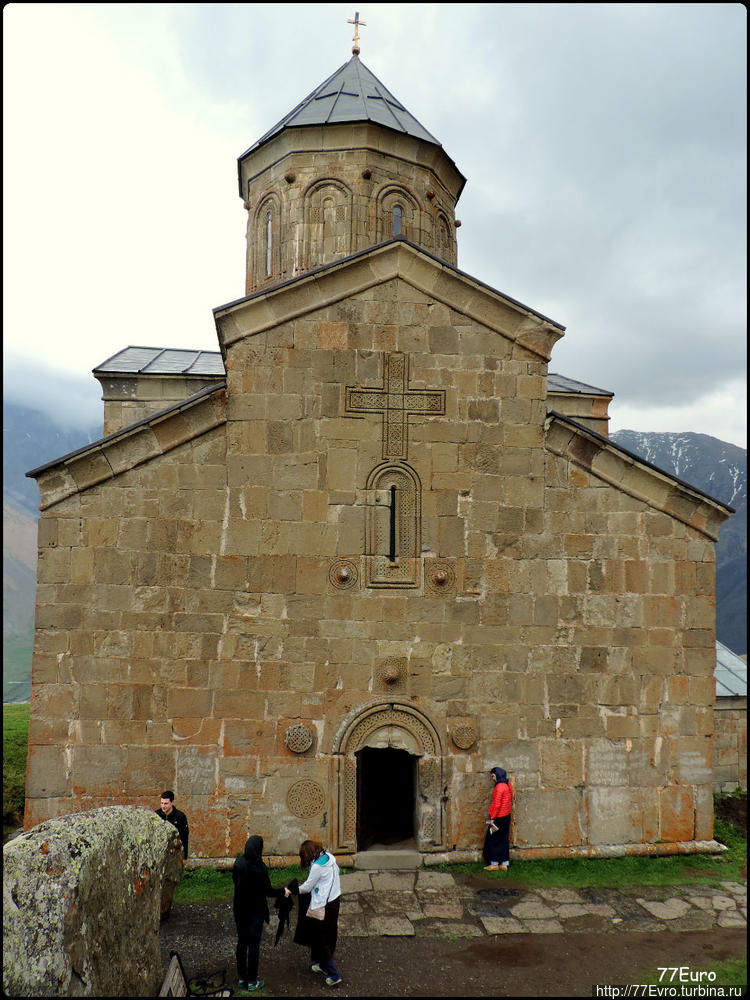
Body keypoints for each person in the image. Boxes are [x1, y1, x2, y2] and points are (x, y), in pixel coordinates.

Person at [285, 840, 343, 987]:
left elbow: (307, 887)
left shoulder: (317, 866)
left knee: (320, 938)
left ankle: (334, 974)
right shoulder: (329, 857)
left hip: (323, 905)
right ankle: (322, 964)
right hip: (334, 900)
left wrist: (292, 890)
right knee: (329, 934)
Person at [232, 835, 282, 993]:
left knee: (242, 943)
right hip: (255, 911)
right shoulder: (260, 868)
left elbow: (235, 880)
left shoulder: (239, 863)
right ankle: (252, 980)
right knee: (253, 945)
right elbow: (268, 891)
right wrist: (283, 892)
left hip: (240, 909)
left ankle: (242, 977)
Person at [483, 767, 513, 871]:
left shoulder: (499, 787)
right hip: (506, 816)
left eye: (493, 776)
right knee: (503, 839)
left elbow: (497, 804)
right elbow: (511, 796)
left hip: (498, 818)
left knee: (493, 839)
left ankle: (494, 863)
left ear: (497, 775)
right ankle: (504, 863)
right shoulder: (507, 785)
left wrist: (492, 817)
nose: (493, 779)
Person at [156, 790, 189, 859]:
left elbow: (184, 838)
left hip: (174, 852)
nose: (163, 806)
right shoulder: (156, 815)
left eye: (166, 803)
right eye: (161, 803)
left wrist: (184, 857)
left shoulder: (180, 817)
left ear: (172, 802)